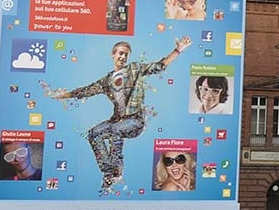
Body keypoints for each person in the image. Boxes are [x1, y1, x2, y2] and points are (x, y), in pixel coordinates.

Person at [46, 36, 191, 192]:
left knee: (115, 130)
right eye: (120, 53)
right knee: (93, 133)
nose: (123, 57)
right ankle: (108, 172)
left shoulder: (134, 69)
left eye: (126, 54)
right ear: (113, 54)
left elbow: (159, 66)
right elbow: (86, 90)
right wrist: (63, 95)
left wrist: (178, 50)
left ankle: (117, 170)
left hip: (135, 121)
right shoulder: (107, 80)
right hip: (117, 120)